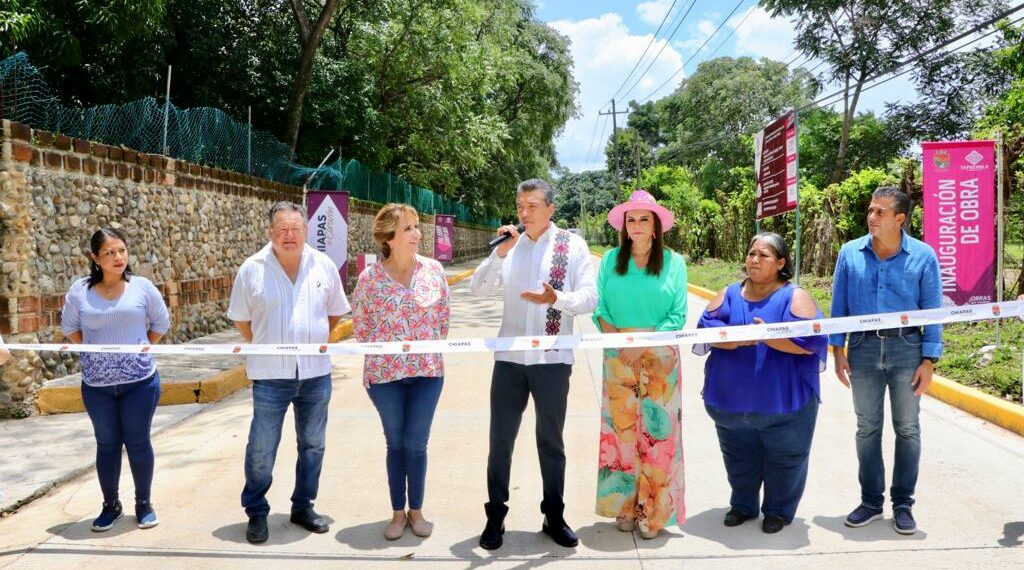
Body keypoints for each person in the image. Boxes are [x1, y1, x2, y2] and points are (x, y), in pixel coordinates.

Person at [470, 178, 597, 550]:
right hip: (510, 359)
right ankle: (495, 515)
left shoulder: (571, 246)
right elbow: (478, 289)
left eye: (532, 206)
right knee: (501, 441)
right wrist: (499, 254)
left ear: (551, 209)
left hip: (552, 359)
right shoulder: (510, 247)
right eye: (520, 206)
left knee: (551, 441)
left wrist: (555, 298)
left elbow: (589, 298)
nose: (524, 213)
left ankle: (553, 515)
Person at [227, 201, 350, 544]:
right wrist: (266, 345)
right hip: (269, 375)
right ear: (270, 232)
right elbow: (240, 318)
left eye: (295, 229)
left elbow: (335, 313)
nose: (289, 235)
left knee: (313, 444)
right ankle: (256, 511)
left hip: (315, 374)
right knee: (263, 446)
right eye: (282, 229)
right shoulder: (252, 269)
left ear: (306, 230)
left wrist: (312, 340)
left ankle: (303, 506)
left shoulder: (323, 265)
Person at [695, 232, 826, 534]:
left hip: (783, 404)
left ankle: (778, 511)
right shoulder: (730, 293)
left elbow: (810, 341)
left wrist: (770, 336)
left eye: (763, 255)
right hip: (730, 402)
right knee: (738, 457)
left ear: (780, 263)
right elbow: (705, 328)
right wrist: (740, 338)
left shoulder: (795, 296)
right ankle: (742, 505)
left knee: (786, 458)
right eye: (751, 253)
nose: (754, 259)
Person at [830, 186, 942, 535]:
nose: (872, 217)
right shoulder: (850, 253)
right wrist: (837, 350)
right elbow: (839, 306)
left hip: (907, 350)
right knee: (867, 428)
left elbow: (932, 311)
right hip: (862, 351)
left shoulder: (923, 257)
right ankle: (870, 502)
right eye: (870, 210)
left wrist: (929, 361)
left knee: (907, 428)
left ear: (900, 218)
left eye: (880, 211)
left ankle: (903, 503)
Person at [591, 190, 688, 539]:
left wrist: (642, 344)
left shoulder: (674, 262)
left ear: (656, 225)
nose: (636, 225)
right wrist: (620, 342)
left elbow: (677, 314)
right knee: (622, 434)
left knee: (658, 435)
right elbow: (599, 307)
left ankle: (654, 513)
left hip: (660, 357)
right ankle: (625, 507)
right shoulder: (610, 261)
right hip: (618, 356)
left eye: (643, 219)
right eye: (631, 220)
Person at [61, 227, 171, 532]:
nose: (117, 257)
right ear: (95, 258)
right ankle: (111, 506)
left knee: (137, 442)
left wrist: (138, 349)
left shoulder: (142, 287)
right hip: (97, 387)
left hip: (140, 382)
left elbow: (162, 322)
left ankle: (143, 504)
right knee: (107, 444)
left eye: (121, 250)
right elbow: (69, 327)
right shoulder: (79, 291)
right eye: (109, 252)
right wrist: (98, 354)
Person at [352, 204, 449, 540]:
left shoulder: (434, 270)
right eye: (408, 228)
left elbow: (443, 319)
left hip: (427, 372)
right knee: (395, 443)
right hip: (384, 377)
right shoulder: (369, 279)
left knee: (415, 442)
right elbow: (361, 328)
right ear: (389, 237)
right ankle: (397, 514)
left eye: (417, 226)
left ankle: (417, 511)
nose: (417, 234)